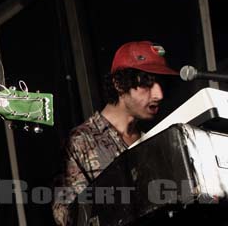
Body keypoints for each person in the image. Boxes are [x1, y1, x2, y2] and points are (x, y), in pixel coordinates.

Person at [52, 41, 177, 226]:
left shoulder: (153, 139)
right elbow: (65, 215)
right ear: (119, 84)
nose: (159, 94)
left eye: (161, 84)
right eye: (147, 84)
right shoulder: (80, 141)